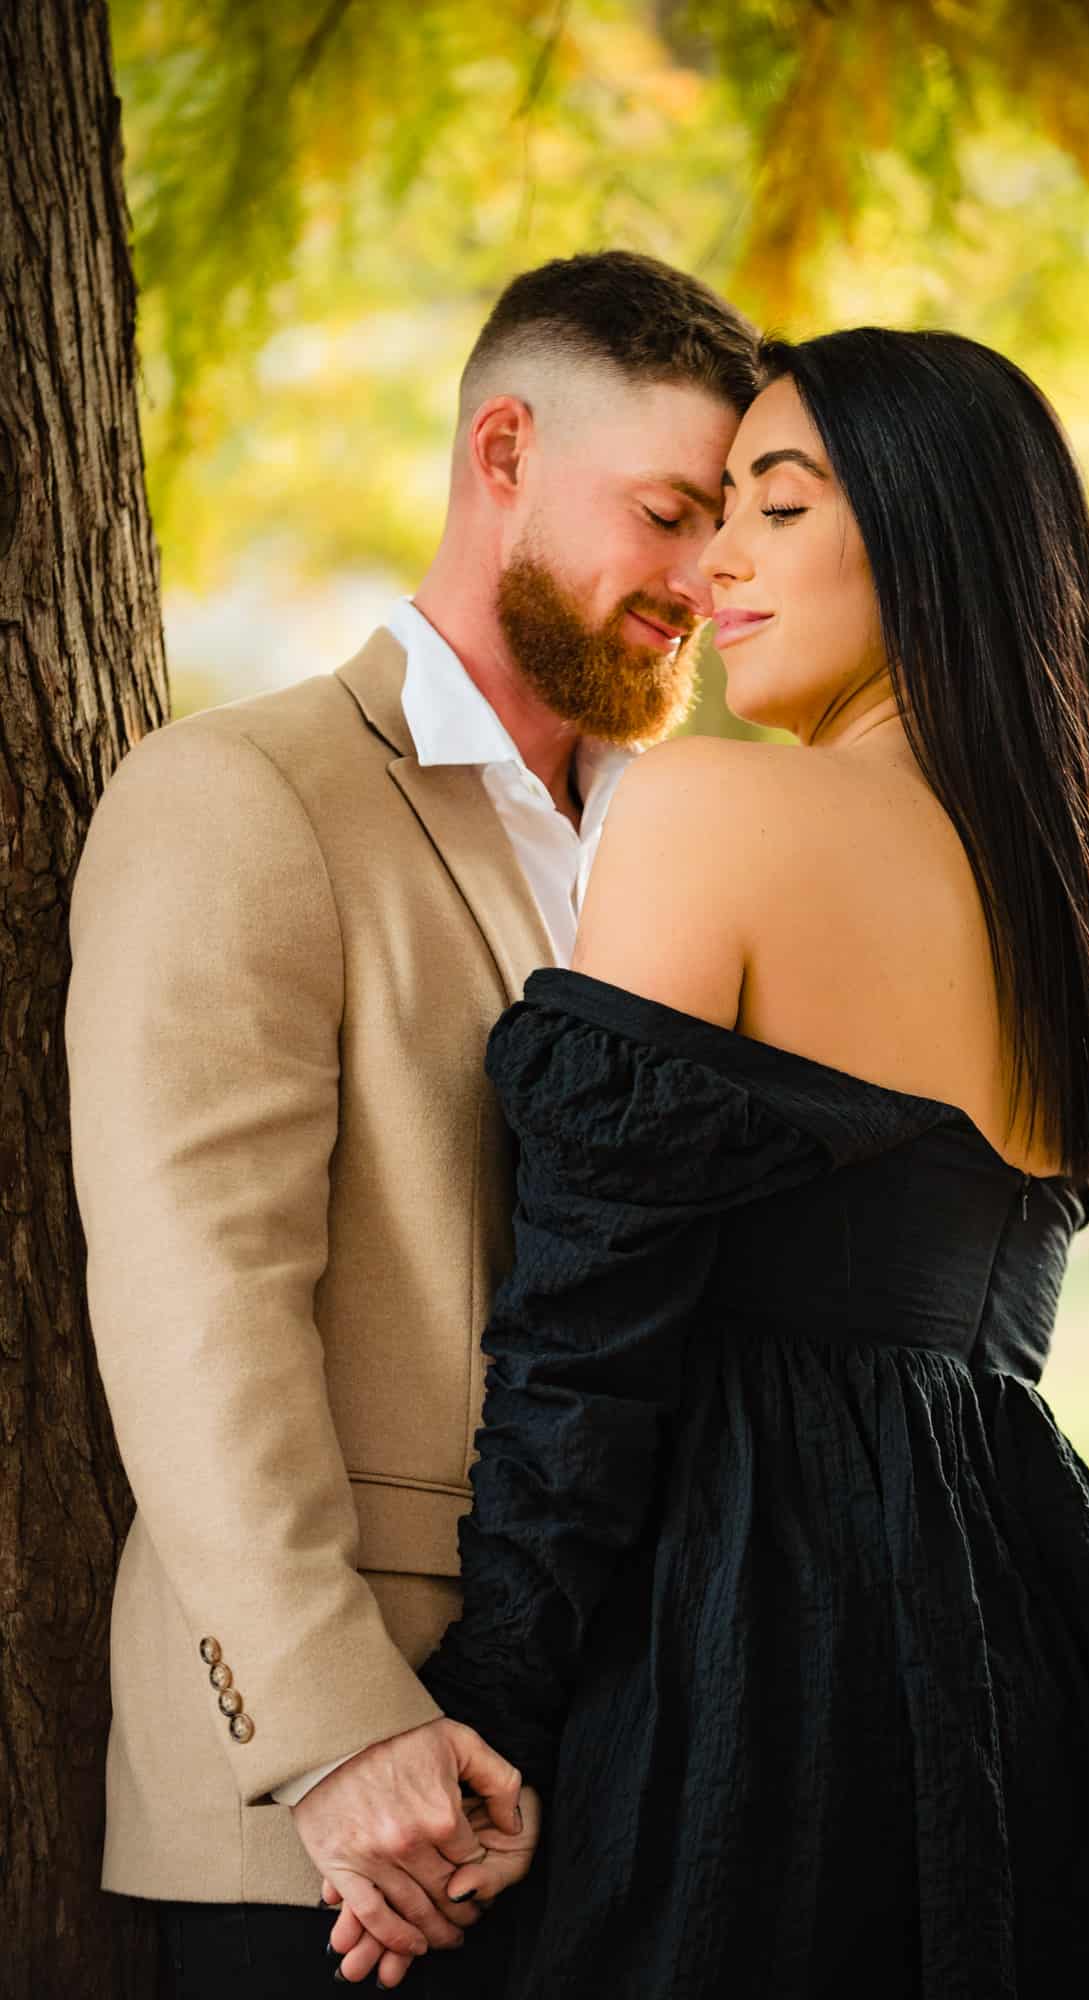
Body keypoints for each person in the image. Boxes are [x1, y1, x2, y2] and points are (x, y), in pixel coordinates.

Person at [328, 328, 1089, 1997]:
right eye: (707, 513)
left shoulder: (714, 814)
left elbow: (583, 1339)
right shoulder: (1060, 910)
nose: (717, 563)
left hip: (751, 1641)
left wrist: (495, 1720)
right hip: (1023, 1637)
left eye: (778, 505)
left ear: (918, 531)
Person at [64, 249, 759, 2000]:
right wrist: (334, 1735)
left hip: (622, 1785)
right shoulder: (242, 797)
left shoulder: (685, 843)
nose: (702, 581)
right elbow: (190, 1301)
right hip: (324, 1828)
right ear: (503, 452)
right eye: (668, 512)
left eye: (729, 529)